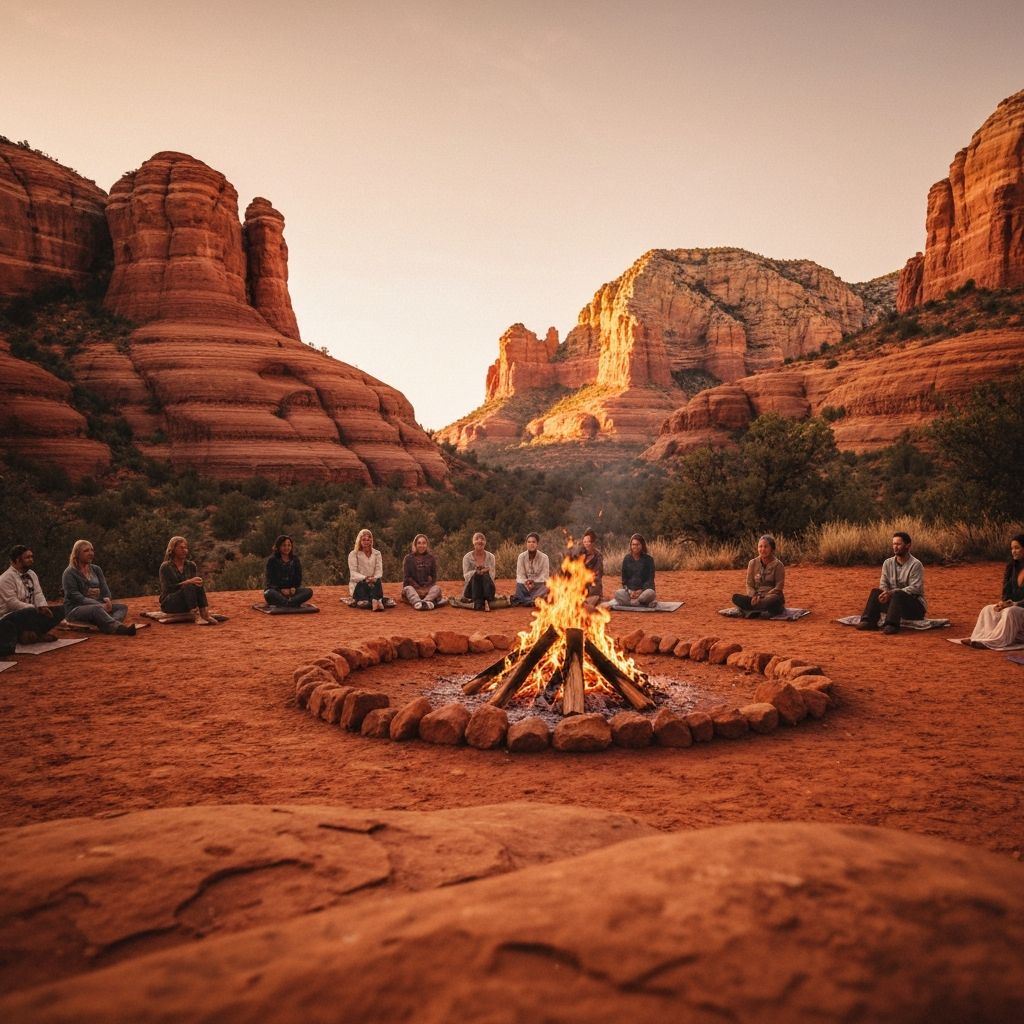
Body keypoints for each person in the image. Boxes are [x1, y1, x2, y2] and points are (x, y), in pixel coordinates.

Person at [961, 534, 1024, 649]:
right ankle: (979, 638)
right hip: (1012, 605)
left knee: (1010, 612)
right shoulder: (1011, 566)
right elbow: (1006, 589)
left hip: (1019, 607)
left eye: (1017, 548)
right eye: (1012, 548)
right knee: (988, 610)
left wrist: (1016, 604)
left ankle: (994, 642)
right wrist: (1002, 603)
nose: (1013, 551)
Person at [857, 531, 926, 634]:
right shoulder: (887, 563)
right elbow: (883, 584)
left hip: (914, 608)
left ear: (908, 546)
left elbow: (916, 588)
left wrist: (892, 593)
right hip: (893, 604)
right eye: (894, 544)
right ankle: (868, 621)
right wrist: (885, 594)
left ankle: (891, 624)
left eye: (898, 544)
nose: (895, 547)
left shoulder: (916, 565)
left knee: (897, 593)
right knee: (876, 591)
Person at [62, 540, 135, 635]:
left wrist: (107, 600)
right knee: (96, 609)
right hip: (76, 609)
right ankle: (118, 628)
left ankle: (105, 622)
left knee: (122, 607)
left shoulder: (96, 569)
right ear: (77, 553)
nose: (91, 553)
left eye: (92, 550)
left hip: (99, 606)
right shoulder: (69, 573)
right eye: (86, 551)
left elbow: (105, 589)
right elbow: (75, 596)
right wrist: (98, 605)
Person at [0, 544, 66, 645]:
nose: (31, 559)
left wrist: (42, 606)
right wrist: (35, 609)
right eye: (27, 557)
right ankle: (27, 634)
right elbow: (12, 603)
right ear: (17, 560)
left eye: (31, 557)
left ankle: (34, 633)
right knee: (29, 612)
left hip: (32, 612)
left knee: (62, 610)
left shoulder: (32, 574)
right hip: (9, 617)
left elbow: (38, 593)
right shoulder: (5, 578)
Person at [159, 536, 217, 625]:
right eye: (181, 548)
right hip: (170, 603)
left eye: (186, 548)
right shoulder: (166, 567)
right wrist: (187, 582)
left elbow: (194, 588)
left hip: (187, 603)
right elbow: (168, 588)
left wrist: (195, 582)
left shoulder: (191, 565)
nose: (185, 550)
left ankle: (205, 614)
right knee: (189, 585)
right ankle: (196, 616)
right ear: (173, 549)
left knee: (197, 584)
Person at [732, 534, 785, 618]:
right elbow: (749, 584)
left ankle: (752, 609)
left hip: (770, 597)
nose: (762, 549)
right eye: (760, 546)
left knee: (775, 600)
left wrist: (762, 597)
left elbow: (779, 587)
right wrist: (753, 596)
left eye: (765, 547)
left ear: (772, 549)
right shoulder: (752, 563)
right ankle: (758, 608)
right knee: (735, 597)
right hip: (755, 597)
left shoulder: (779, 565)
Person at [263, 535, 313, 608]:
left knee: (309, 591)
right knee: (269, 593)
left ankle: (287, 604)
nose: (287, 548)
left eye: (289, 545)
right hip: (277, 592)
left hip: (291, 592)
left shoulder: (295, 559)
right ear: (279, 547)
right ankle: (291, 603)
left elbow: (298, 577)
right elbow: (270, 580)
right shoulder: (272, 560)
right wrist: (280, 590)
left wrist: (293, 587)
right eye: (284, 545)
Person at [402, 534, 443, 610]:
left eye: (424, 543)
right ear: (415, 544)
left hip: (427, 590)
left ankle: (425, 602)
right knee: (408, 589)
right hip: (413, 589)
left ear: (427, 545)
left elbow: (434, 578)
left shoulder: (431, 558)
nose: (421, 545)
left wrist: (426, 588)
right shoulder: (408, 558)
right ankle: (417, 602)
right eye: (419, 543)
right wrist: (418, 588)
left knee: (437, 588)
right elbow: (407, 578)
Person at [615, 533, 657, 607]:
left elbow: (650, 579)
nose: (635, 546)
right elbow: (624, 580)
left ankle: (635, 602)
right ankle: (642, 603)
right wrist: (629, 591)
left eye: (637, 544)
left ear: (642, 545)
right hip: (630, 593)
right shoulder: (627, 559)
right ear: (630, 546)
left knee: (650, 593)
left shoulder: (649, 560)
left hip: (644, 591)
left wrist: (640, 591)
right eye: (633, 544)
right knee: (618, 593)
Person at [349, 528, 386, 611]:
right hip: (359, 583)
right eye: (364, 539)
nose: (366, 542)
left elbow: (379, 571)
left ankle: (373, 601)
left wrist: (374, 578)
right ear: (359, 541)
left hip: (373, 582)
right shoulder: (353, 554)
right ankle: (376, 600)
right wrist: (366, 578)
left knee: (378, 581)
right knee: (364, 584)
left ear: (371, 541)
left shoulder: (377, 553)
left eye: (369, 539)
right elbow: (353, 574)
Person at [511, 533, 550, 606]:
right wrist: (527, 582)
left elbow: (545, 576)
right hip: (525, 586)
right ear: (526, 544)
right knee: (519, 585)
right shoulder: (521, 557)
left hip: (538, 586)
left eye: (533, 542)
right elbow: (520, 575)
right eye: (529, 542)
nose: (531, 544)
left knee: (546, 587)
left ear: (537, 544)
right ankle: (533, 601)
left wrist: (534, 582)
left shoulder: (544, 557)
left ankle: (524, 600)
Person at [462, 532, 496, 611]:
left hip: (487, 589)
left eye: (482, 539)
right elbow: (466, 576)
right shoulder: (467, 557)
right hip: (472, 590)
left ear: (485, 542)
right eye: (477, 539)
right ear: (473, 542)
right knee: (476, 575)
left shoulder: (491, 557)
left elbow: (493, 575)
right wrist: (476, 572)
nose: (480, 541)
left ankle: (485, 600)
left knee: (485, 575)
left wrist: (485, 571)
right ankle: (478, 601)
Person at [575, 528, 604, 609]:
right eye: (585, 542)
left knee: (594, 590)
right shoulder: (580, 554)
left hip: (592, 585)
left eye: (589, 542)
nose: (587, 544)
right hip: (580, 583)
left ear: (593, 543)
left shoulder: (598, 556)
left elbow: (598, 574)